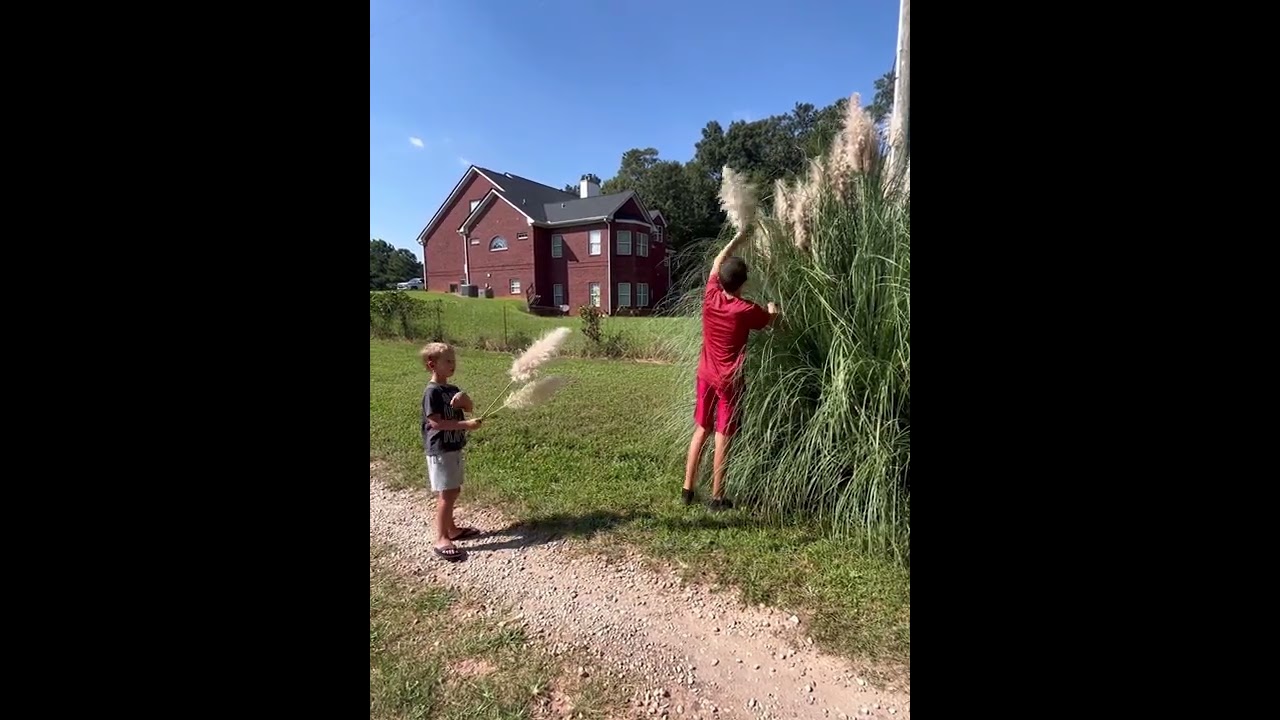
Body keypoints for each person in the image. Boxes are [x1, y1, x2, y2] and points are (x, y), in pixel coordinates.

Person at [682, 232, 779, 510]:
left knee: (701, 429)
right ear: (744, 283)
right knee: (723, 435)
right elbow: (772, 321)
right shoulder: (745, 309)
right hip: (729, 381)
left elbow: (717, 261)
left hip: (705, 374)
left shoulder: (711, 293)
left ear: (722, 280)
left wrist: (737, 238)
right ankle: (717, 497)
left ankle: (687, 490)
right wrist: (774, 310)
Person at [420, 342, 484, 561]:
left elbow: (467, 408)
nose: (452, 364)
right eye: (447, 361)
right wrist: (466, 425)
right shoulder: (432, 392)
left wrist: (467, 404)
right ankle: (440, 538)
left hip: (454, 447)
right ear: (432, 365)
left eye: (453, 360)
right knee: (446, 494)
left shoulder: (452, 389)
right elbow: (435, 424)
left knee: (453, 490)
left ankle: (453, 530)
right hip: (440, 449)